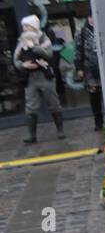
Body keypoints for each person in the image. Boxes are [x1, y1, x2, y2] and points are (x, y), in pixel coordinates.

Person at [13, 14, 64, 143]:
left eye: (27, 25)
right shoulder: (21, 41)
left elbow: (49, 54)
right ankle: (32, 136)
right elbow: (16, 59)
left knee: (53, 103)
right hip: (30, 78)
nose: (24, 28)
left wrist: (34, 46)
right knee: (30, 106)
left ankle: (60, 130)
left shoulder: (44, 39)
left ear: (34, 26)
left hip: (45, 75)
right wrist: (23, 65)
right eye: (23, 26)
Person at [74, 14, 104, 132]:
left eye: (93, 16)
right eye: (90, 16)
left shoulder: (103, 28)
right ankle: (98, 121)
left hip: (104, 69)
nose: (92, 19)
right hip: (89, 69)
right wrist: (79, 68)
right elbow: (77, 50)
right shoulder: (81, 32)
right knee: (94, 97)